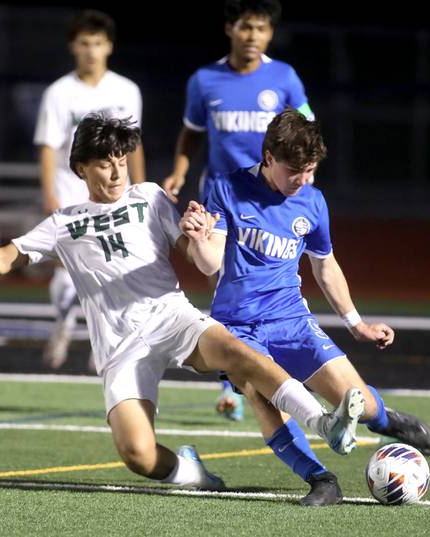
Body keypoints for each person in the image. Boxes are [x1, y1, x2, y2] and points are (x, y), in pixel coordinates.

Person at [0, 113, 365, 491]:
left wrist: (197, 233)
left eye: (122, 162)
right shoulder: (62, 224)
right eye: (106, 164)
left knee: (239, 352)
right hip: (120, 346)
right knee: (137, 455)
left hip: (171, 317)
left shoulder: (151, 197)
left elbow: (200, 259)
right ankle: (191, 474)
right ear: (81, 168)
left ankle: (322, 422)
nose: (118, 173)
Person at [180, 109, 430, 506]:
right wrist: (199, 239)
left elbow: (325, 265)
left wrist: (356, 324)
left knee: (356, 400)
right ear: (268, 157)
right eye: (294, 171)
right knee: (263, 397)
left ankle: (385, 420)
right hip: (238, 328)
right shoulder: (227, 188)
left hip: (292, 320)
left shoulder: (313, 203)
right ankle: (322, 480)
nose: (303, 180)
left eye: (311, 170)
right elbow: (212, 262)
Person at [164, 0, 315, 421]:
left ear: (270, 35)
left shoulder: (283, 77)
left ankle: (264, 368)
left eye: (262, 29)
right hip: (222, 198)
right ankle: (235, 379)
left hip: (271, 202)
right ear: (230, 29)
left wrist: (306, 176)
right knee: (223, 284)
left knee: (269, 282)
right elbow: (190, 135)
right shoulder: (205, 80)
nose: (253, 36)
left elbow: (307, 128)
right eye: (246, 27)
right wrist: (178, 171)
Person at [34, 9, 146, 369]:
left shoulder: (126, 90)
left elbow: (134, 145)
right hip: (71, 193)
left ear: (109, 46)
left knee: (116, 267)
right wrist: (50, 193)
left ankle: (104, 341)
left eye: (97, 43)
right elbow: (49, 146)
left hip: (115, 192)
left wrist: (139, 187)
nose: (91, 51)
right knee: (67, 272)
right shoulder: (59, 93)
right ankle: (64, 325)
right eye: (84, 43)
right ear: (73, 47)